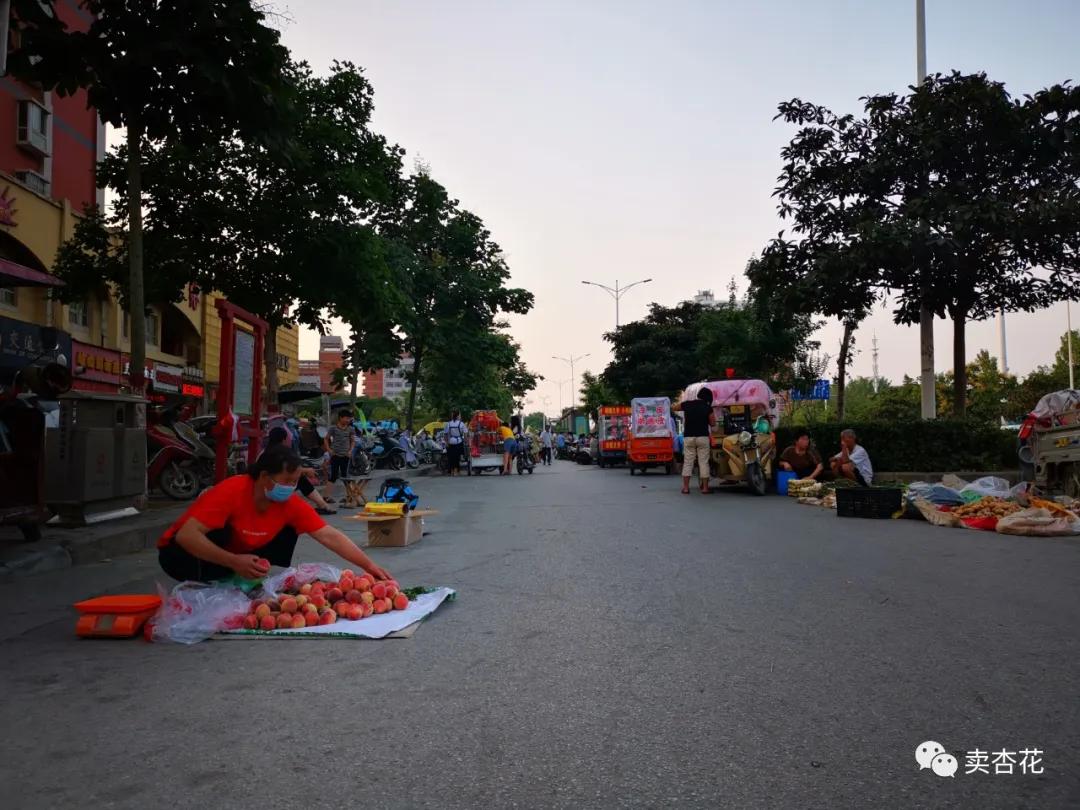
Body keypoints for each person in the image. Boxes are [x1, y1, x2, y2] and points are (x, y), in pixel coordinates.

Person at [157, 444, 392, 583]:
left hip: (236, 554)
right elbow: (186, 536)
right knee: (218, 531)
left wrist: (369, 566)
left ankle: (234, 577)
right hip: (179, 556)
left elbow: (329, 535)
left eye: (295, 481)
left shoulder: (289, 503)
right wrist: (233, 561)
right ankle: (214, 579)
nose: (291, 487)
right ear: (264, 476)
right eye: (287, 480)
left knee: (290, 529)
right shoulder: (233, 490)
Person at [266, 427, 336, 515]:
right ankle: (323, 505)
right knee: (301, 479)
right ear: (284, 439)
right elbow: (288, 469)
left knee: (299, 477)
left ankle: (322, 504)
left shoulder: (264, 452)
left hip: (266, 488)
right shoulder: (283, 452)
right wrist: (306, 470)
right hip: (276, 490)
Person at [673, 387, 716, 494]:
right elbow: (713, 423)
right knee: (703, 462)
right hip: (702, 437)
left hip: (689, 437)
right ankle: (705, 488)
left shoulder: (687, 404)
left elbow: (675, 408)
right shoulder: (707, 407)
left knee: (688, 462)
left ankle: (686, 488)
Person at [324, 409, 354, 488]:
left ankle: (350, 496)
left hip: (346, 455)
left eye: (349, 418)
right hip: (335, 455)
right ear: (341, 418)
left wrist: (350, 451)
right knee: (333, 476)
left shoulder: (351, 429)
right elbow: (326, 439)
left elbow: (353, 441)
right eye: (346, 418)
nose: (348, 420)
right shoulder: (333, 428)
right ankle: (325, 498)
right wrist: (329, 450)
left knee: (345, 476)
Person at [444, 410, 467, 475]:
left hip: (451, 441)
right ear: (457, 416)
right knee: (457, 457)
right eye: (460, 415)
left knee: (451, 457)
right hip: (458, 442)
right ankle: (456, 470)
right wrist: (466, 441)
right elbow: (465, 434)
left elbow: (445, 434)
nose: (460, 416)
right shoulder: (461, 424)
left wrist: (446, 442)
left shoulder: (448, 424)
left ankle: (451, 470)